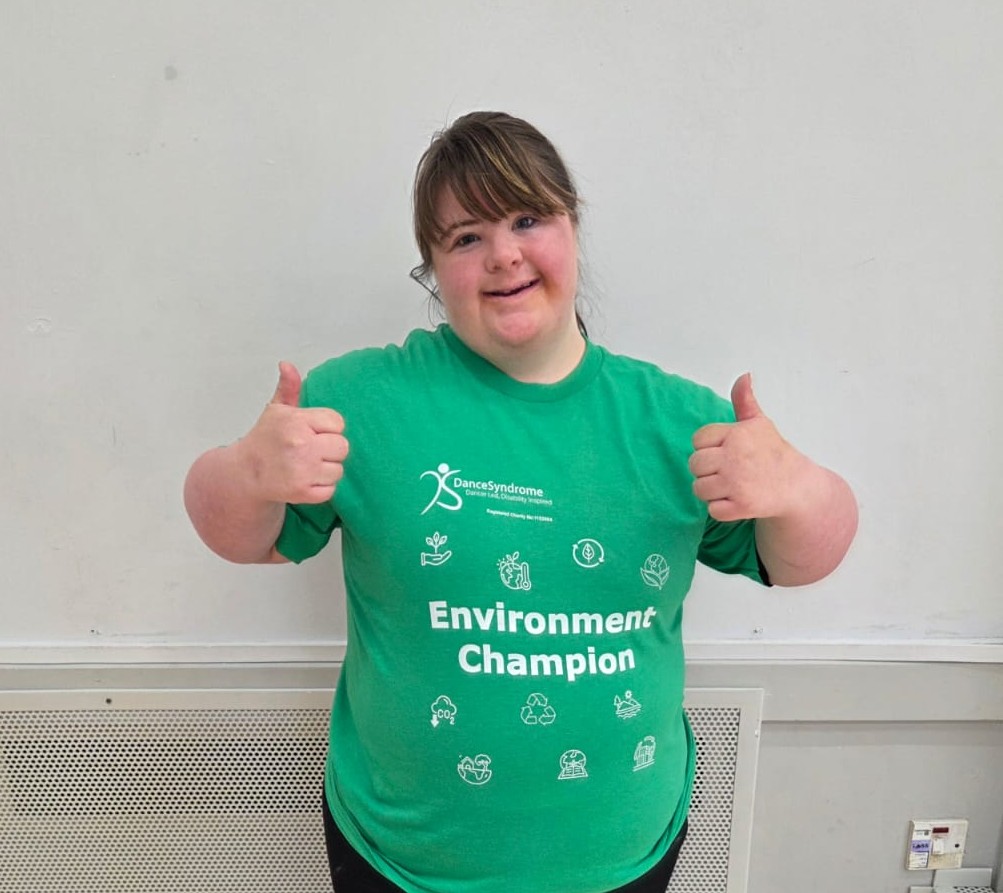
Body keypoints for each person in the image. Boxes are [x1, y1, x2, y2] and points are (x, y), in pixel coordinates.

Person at [184, 111, 857, 893]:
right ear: (434, 270)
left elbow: (797, 559)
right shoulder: (359, 402)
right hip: (398, 857)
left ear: (572, 227)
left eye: (527, 218)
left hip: (620, 858)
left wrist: (797, 486)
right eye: (465, 237)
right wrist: (247, 470)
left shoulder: (678, 421)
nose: (503, 253)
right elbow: (240, 535)